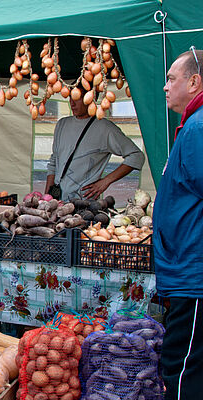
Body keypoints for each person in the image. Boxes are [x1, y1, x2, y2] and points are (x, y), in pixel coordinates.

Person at [153, 47, 203, 400]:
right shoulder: (193, 124)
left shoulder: (199, 128)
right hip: (185, 270)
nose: (166, 87)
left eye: (172, 79)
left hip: (193, 273)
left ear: (195, 81)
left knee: (181, 367)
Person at [44, 87, 144, 201]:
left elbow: (136, 156)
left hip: (83, 204)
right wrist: (46, 197)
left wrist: (105, 181)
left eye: (78, 98)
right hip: (56, 202)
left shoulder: (105, 128)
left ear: (91, 98)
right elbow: (54, 162)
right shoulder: (62, 124)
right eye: (71, 97)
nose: (72, 102)